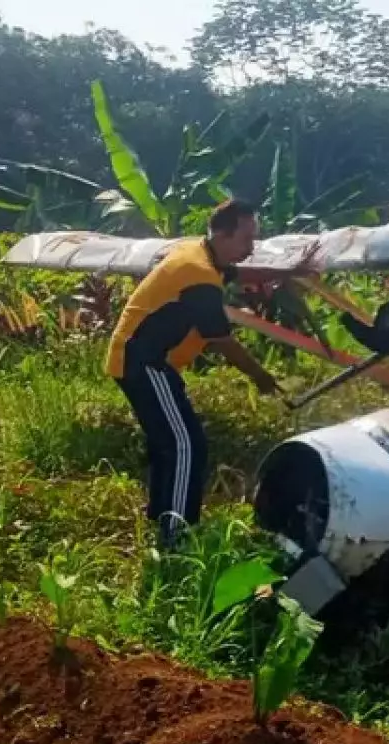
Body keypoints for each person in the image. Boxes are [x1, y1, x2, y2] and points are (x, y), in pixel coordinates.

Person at [106, 199, 281, 550]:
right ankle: (178, 535)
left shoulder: (197, 253)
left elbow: (218, 275)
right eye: (246, 239)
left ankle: (162, 517)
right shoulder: (200, 275)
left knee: (166, 443)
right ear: (221, 233)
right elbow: (221, 340)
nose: (251, 248)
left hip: (139, 358)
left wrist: (236, 272)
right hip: (146, 361)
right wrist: (259, 375)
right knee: (188, 445)